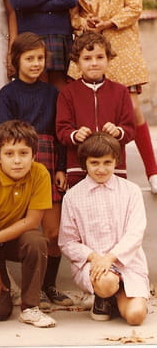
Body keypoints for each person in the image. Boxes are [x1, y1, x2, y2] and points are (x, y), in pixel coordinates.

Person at [69, 0, 157, 193]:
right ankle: (94, 170)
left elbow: (134, 6)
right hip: (90, 47)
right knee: (91, 109)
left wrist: (109, 22)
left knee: (132, 108)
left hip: (122, 45)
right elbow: (72, 13)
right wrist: (85, 23)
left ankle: (152, 171)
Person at [0, 33, 71, 309]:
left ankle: (48, 285)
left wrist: (60, 167)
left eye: (40, 58)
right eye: (29, 58)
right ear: (16, 60)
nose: (36, 63)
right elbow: (5, 132)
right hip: (18, 159)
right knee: (21, 228)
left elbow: (59, 133)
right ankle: (30, 289)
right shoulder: (7, 93)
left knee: (52, 231)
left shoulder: (52, 93)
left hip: (49, 158)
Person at [0, 120, 56, 328]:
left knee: (37, 241)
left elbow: (33, 221)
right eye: (9, 154)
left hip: (9, 240)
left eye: (23, 153)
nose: (17, 161)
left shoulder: (40, 173)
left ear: (33, 155)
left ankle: (30, 307)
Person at [58, 133, 149, 325]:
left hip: (127, 263)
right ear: (85, 163)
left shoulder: (131, 191)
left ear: (116, 161)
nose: (101, 169)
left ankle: (114, 298)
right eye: (94, 163)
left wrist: (110, 257)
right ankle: (103, 295)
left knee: (136, 317)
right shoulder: (73, 197)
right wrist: (94, 257)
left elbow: (135, 233)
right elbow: (67, 242)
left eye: (107, 162)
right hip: (95, 266)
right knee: (107, 282)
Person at [56, 31, 135, 187]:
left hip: (113, 168)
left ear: (108, 59)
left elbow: (130, 129)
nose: (94, 63)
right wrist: (75, 135)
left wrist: (118, 131)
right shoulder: (67, 93)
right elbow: (61, 130)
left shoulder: (121, 92)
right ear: (77, 62)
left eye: (100, 57)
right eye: (87, 58)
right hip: (79, 168)